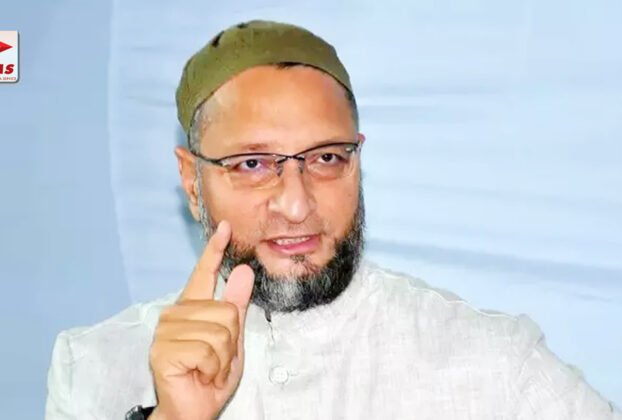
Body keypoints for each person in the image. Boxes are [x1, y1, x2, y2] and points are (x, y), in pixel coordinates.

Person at [45, 20, 620, 420]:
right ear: (192, 181)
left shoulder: (492, 362)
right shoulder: (97, 367)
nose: (296, 205)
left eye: (325, 158)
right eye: (253, 164)